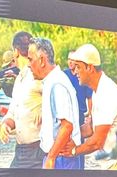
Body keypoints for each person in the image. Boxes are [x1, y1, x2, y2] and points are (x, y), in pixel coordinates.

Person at [61, 43, 117, 170]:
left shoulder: (106, 93)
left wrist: (73, 151)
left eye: (78, 67)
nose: (75, 72)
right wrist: (66, 133)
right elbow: (90, 129)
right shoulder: (97, 91)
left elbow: (97, 142)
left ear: (90, 68)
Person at [27, 38, 81, 169]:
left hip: (60, 159)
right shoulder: (53, 81)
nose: (28, 65)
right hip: (59, 156)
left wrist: (51, 157)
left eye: (30, 59)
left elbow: (67, 125)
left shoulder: (57, 84)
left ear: (41, 60)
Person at [0, 31, 45, 169]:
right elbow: (13, 111)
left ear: (15, 52)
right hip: (20, 150)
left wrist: (46, 107)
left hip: (37, 150)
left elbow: (60, 95)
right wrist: (6, 124)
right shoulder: (19, 78)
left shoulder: (38, 75)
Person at [63, 52, 93, 168]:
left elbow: (89, 97)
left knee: (79, 141)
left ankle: (80, 168)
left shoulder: (82, 75)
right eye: (69, 59)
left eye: (73, 60)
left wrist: (90, 114)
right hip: (67, 113)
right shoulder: (63, 75)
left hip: (80, 113)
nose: (70, 62)